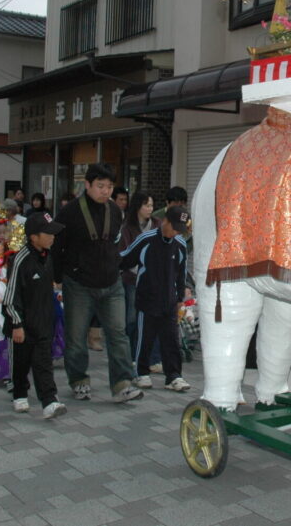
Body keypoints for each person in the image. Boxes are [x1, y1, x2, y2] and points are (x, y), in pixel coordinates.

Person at [53, 163, 143, 403]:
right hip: (79, 283)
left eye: (109, 186)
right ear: (87, 185)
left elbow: (114, 243)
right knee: (76, 336)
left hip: (112, 282)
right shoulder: (70, 211)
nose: (105, 191)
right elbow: (57, 246)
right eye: (100, 186)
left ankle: (122, 383)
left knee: (118, 333)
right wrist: (58, 278)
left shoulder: (115, 211)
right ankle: (79, 380)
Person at [120, 205, 192, 392]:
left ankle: (173, 376)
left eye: (180, 229)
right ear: (165, 221)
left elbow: (181, 273)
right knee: (145, 337)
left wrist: (180, 297)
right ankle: (141, 372)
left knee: (171, 340)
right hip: (147, 299)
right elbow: (125, 259)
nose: (176, 232)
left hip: (170, 301)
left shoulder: (180, 244)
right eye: (173, 226)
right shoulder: (146, 239)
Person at [3, 212, 67, 419]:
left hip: (43, 323)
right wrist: (17, 323)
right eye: (48, 233)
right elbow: (11, 296)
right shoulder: (20, 259)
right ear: (33, 236)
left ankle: (50, 401)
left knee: (43, 362)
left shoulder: (48, 256)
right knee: (21, 362)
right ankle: (19, 393)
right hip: (21, 324)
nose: (52, 237)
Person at [119, 191, 162, 371]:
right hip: (133, 278)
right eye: (146, 205)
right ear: (138, 206)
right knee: (132, 318)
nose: (150, 209)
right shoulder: (128, 227)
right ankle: (131, 355)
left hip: (155, 279)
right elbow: (125, 253)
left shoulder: (158, 225)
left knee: (153, 318)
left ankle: (153, 358)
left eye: (151, 205)